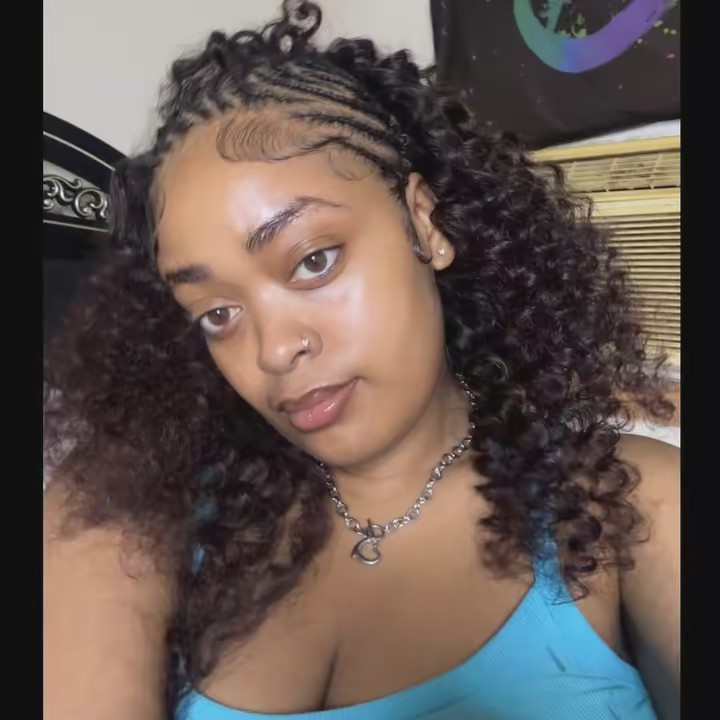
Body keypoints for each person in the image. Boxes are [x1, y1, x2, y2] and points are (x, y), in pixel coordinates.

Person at [43, 2, 680, 719]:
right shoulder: (134, 509)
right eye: (217, 314)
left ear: (424, 222)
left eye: (313, 260)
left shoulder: (631, 504)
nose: (274, 350)